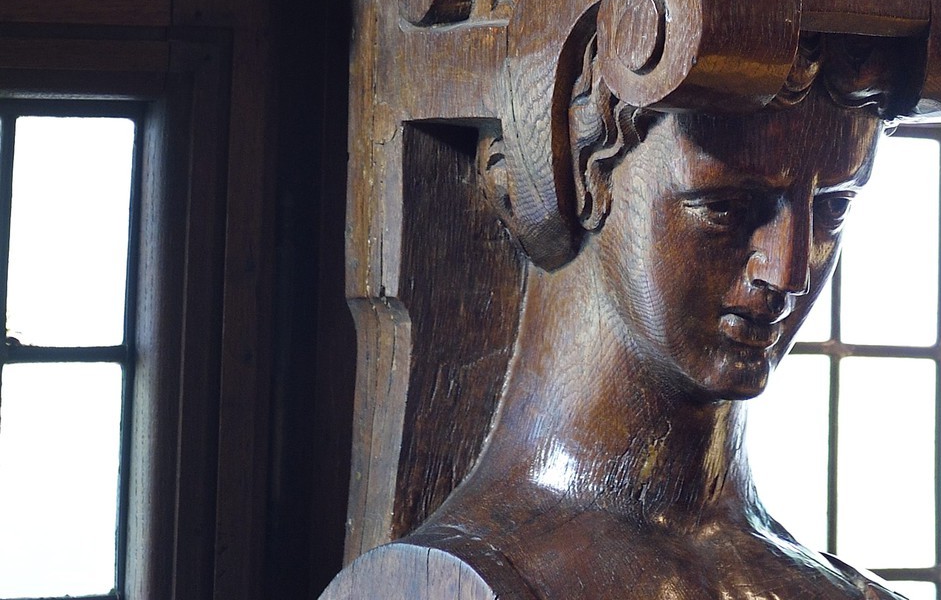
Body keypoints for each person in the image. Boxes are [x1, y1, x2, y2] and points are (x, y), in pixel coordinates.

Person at [324, 37, 900, 600]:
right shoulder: (443, 586)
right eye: (725, 207)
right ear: (576, 182)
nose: (789, 272)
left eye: (833, 208)